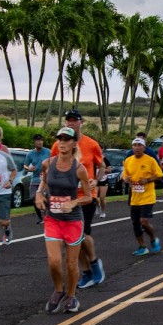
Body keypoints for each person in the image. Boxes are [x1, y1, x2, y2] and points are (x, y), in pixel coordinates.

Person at [37, 127, 94, 314]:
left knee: (71, 264)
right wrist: (38, 194)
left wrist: (74, 202)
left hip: (72, 220)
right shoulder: (48, 163)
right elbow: (43, 183)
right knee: (53, 262)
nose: (62, 142)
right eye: (59, 139)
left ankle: (71, 296)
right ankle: (58, 290)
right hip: (53, 218)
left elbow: (88, 196)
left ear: (73, 144)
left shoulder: (79, 169)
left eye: (66, 139)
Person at [52, 109, 106, 289]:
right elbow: (53, 168)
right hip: (65, 198)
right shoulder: (57, 145)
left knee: (82, 235)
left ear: (81, 122)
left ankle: (93, 262)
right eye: (68, 120)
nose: (71, 123)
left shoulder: (91, 144)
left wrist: (95, 180)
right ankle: (87, 271)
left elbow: (101, 165)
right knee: (71, 240)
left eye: (74, 120)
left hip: (85, 197)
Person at [122, 137, 163, 256]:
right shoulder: (128, 160)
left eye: (139, 145)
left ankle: (153, 239)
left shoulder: (150, 160)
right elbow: (125, 176)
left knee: (144, 221)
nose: (136, 148)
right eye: (134, 145)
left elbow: (159, 175)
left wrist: (148, 180)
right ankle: (142, 247)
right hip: (135, 197)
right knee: (135, 223)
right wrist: (126, 179)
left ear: (144, 148)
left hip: (148, 196)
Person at [23, 134, 51, 224]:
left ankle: (47, 215)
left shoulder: (48, 152)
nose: (40, 142)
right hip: (35, 179)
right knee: (34, 198)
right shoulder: (30, 154)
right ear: (34, 142)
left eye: (41, 140)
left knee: (47, 197)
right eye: (38, 141)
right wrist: (28, 168)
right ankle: (40, 217)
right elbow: (25, 165)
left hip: (46, 179)